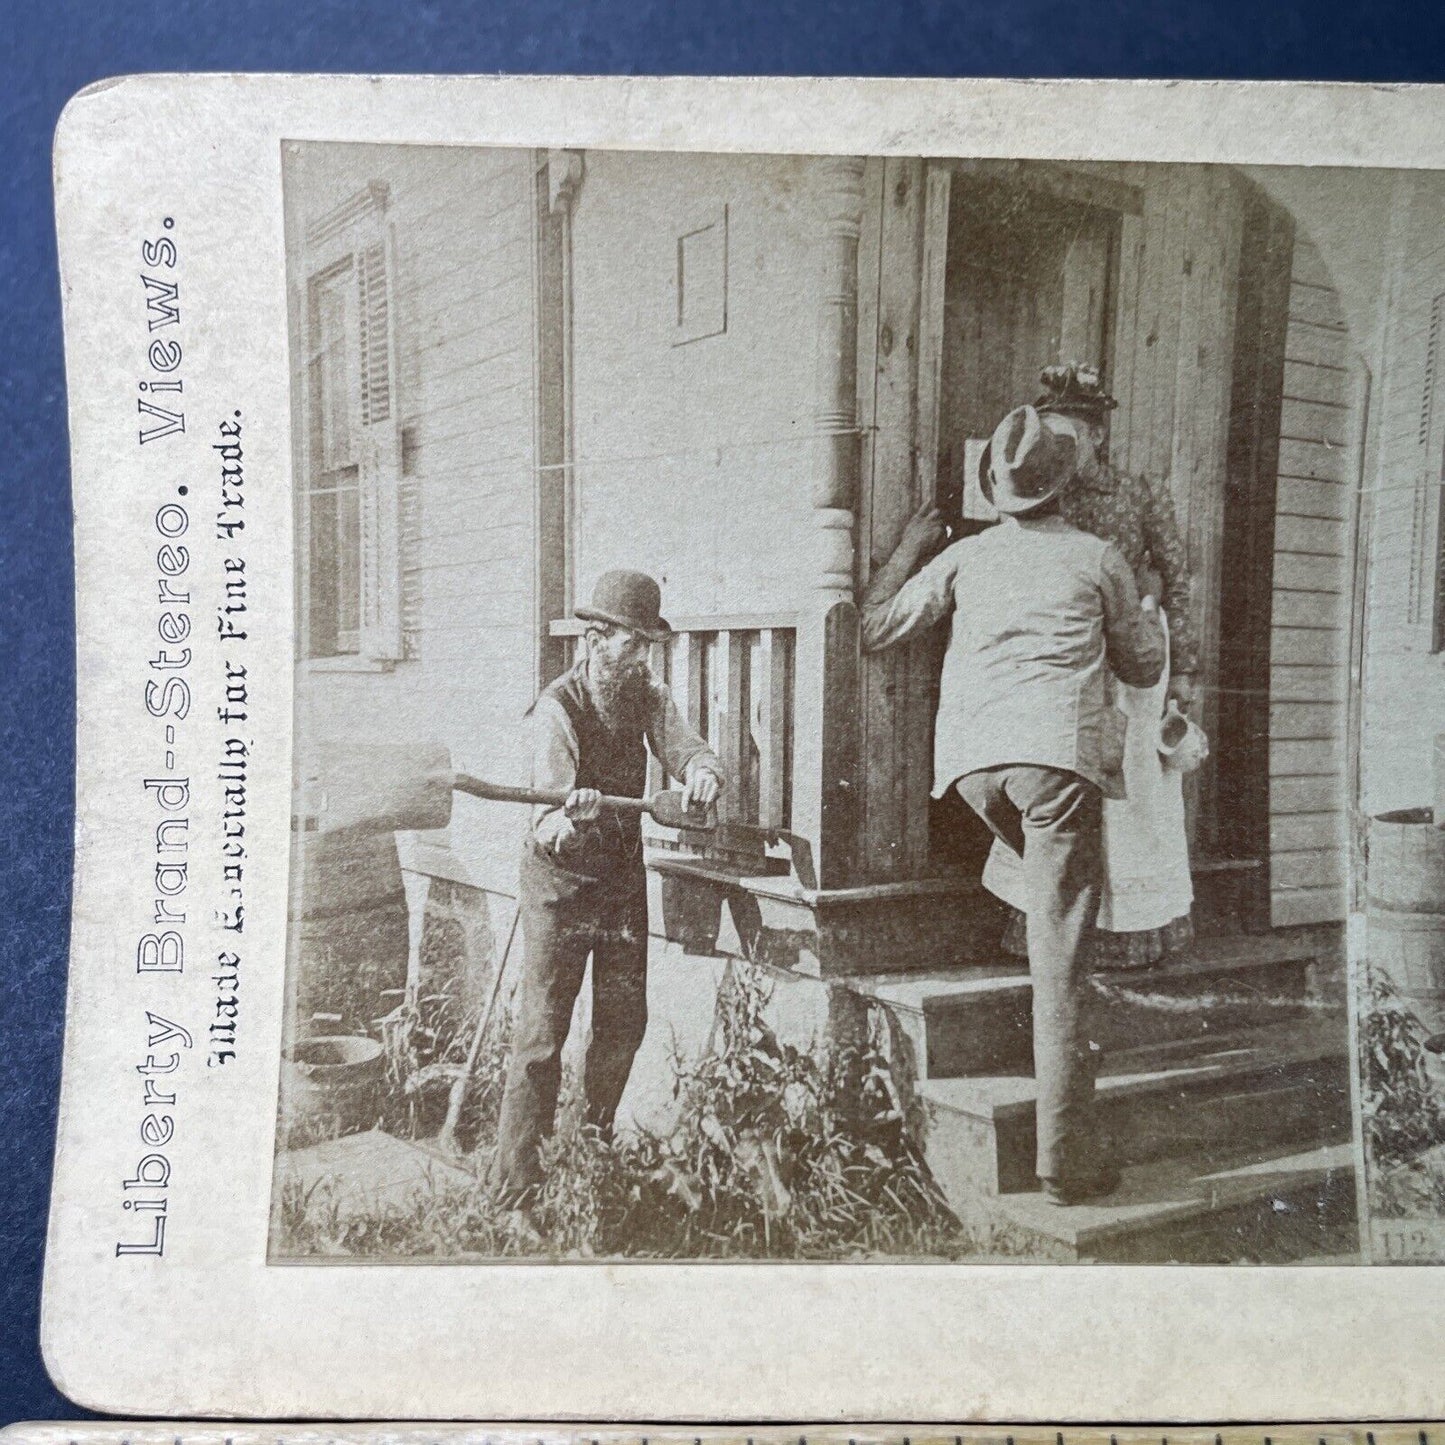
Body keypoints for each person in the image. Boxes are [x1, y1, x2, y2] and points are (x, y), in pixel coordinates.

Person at [861, 404, 1165, 1204]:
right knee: (1062, 958)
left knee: (1044, 901)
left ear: (997, 488)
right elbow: (1139, 667)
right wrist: (1149, 615)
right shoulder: (1098, 556)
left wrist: (906, 551)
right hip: (1054, 766)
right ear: (1063, 485)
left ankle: (1050, 998)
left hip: (971, 772)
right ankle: (1066, 1159)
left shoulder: (965, 559)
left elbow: (875, 624)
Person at [490, 570, 724, 1205]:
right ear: (595, 639)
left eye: (648, 643)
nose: (643, 655)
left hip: (620, 881)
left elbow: (686, 748)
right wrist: (572, 820)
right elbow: (547, 824)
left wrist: (702, 771)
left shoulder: (645, 694)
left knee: (623, 1021)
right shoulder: (555, 710)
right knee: (543, 1036)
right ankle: (516, 1191)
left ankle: (589, 1154)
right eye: (632, 642)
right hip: (560, 884)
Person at [991, 362, 1201, 970]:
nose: (1066, 447)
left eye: (1075, 435)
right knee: (1062, 777)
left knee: (1130, 787)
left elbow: (1178, 583)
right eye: (1054, 435)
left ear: (1099, 436)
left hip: (1133, 659)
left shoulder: (1139, 494)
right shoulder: (1040, 499)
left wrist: (1182, 669)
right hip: (1064, 657)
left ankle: (1130, 929)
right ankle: (1050, 923)